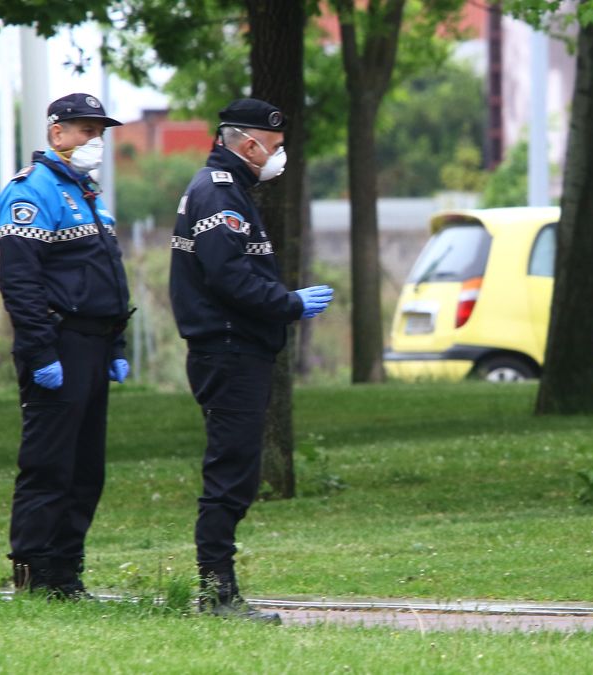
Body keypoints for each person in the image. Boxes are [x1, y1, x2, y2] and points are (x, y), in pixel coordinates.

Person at [169, 98, 333, 622]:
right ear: (248, 143)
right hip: (229, 348)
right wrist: (289, 304)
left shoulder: (231, 189)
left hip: (237, 347)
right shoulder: (218, 194)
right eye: (276, 147)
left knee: (236, 471)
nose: (278, 156)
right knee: (230, 473)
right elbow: (229, 276)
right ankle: (217, 594)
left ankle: (220, 590)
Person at [0, 93, 132, 598]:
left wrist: (116, 343)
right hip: (59, 343)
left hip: (94, 345)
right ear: (57, 135)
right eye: (84, 131)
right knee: (49, 466)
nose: (94, 141)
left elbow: (106, 276)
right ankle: (32, 576)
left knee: (85, 469)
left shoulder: (88, 192)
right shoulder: (33, 192)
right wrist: (40, 352)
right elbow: (22, 282)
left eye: (98, 133)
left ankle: (65, 574)